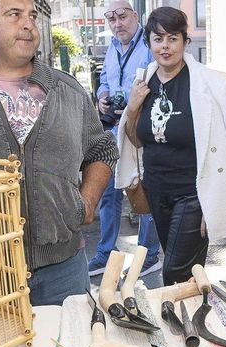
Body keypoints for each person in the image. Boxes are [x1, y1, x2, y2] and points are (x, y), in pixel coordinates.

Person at [0, 0, 115, 306]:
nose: (28, 24)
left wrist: (86, 203)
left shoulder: (66, 91)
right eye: (14, 15)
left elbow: (102, 149)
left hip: (63, 269)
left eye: (31, 15)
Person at [116, 6, 226, 286]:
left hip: (193, 194)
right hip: (156, 190)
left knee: (174, 273)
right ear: (149, 43)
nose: (165, 46)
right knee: (188, 274)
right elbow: (136, 140)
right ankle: (192, 326)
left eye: (172, 38)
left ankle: (178, 325)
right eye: (158, 39)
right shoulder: (143, 83)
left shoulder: (211, 86)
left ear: (185, 41)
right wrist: (132, 107)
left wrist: (214, 203)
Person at [87, 0, 161, 277]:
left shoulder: (149, 46)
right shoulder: (112, 48)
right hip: (112, 129)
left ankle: (148, 254)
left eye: (122, 16)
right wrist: (103, 97)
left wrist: (133, 104)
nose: (117, 24)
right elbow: (105, 79)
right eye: (111, 19)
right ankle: (105, 254)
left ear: (135, 15)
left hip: (139, 129)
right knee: (108, 193)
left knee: (140, 190)